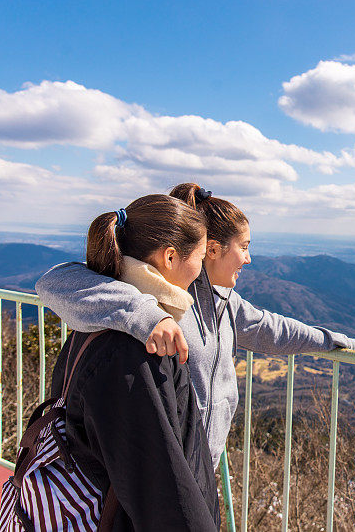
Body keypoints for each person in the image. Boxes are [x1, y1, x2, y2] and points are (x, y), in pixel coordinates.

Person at [36, 183, 355, 469]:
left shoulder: (224, 302)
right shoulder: (159, 292)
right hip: (160, 466)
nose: (248, 258)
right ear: (212, 249)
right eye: (244, 247)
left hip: (197, 463)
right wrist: (147, 314)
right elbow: (54, 281)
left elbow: (271, 329)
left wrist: (336, 341)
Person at [49, 194, 219, 530]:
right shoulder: (137, 351)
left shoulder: (98, 319)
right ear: (170, 256)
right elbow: (159, 485)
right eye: (199, 258)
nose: (200, 273)